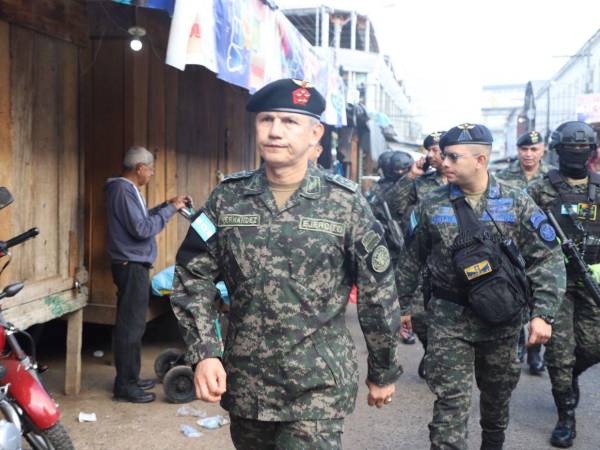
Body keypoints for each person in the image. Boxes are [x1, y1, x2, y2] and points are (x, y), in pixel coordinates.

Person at [170, 78, 402, 449]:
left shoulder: (345, 203)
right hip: (246, 385)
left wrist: (383, 369)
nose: (275, 131)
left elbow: (378, 292)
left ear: (315, 134)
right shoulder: (228, 198)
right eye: (266, 120)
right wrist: (205, 351)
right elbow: (192, 276)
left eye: (289, 122)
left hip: (316, 388)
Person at [397, 123, 566, 450]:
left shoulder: (516, 202)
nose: (444, 162)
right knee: (449, 405)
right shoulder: (432, 204)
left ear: (480, 160)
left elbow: (547, 258)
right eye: (444, 155)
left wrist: (543, 314)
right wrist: (404, 306)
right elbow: (410, 259)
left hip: (501, 321)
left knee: (497, 398)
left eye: (453, 157)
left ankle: (493, 441)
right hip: (448, 320)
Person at [526, 121, 600, 448]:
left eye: (583, 149)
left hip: (593, 278)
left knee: (592, 345)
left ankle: (570, 375)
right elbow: (521, 234)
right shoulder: (541, 189)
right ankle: (566, 416)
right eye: (572, 148)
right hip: (554, 282)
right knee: (559, 355)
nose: (577, 154)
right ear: (559, 150)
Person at [105, 146, 190, 403]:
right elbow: (142, 229)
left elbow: (140, 220)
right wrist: (170, 210)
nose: (152, 174)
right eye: (151, 169)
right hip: (130, 265)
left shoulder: (127, 190)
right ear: (140, 168)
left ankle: (130, 377)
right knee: (131, 327)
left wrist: (167, 205)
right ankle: (125, 386)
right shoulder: (122, 189)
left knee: (133, 325)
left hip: (132, 265)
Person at [495, 130, 554, 374]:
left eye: (534, 149)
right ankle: (517, 343)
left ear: (543, 150)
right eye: (524, 149)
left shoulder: (553, 177)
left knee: (538, 296)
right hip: (511, 247)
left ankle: (535, 350)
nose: (528, 154)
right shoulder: (502, 177)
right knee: (513, 295)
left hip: (543, 249)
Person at [388, 131, 447, 376]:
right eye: (428, 151)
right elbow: (395, 206)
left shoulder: (465, 180)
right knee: (420, 318)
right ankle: (431, 351)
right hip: (423, 259)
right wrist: (411, 176)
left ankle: (443, 356)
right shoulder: (423, 183)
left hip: (457, 262)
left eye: (435, 150)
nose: (431, 155)